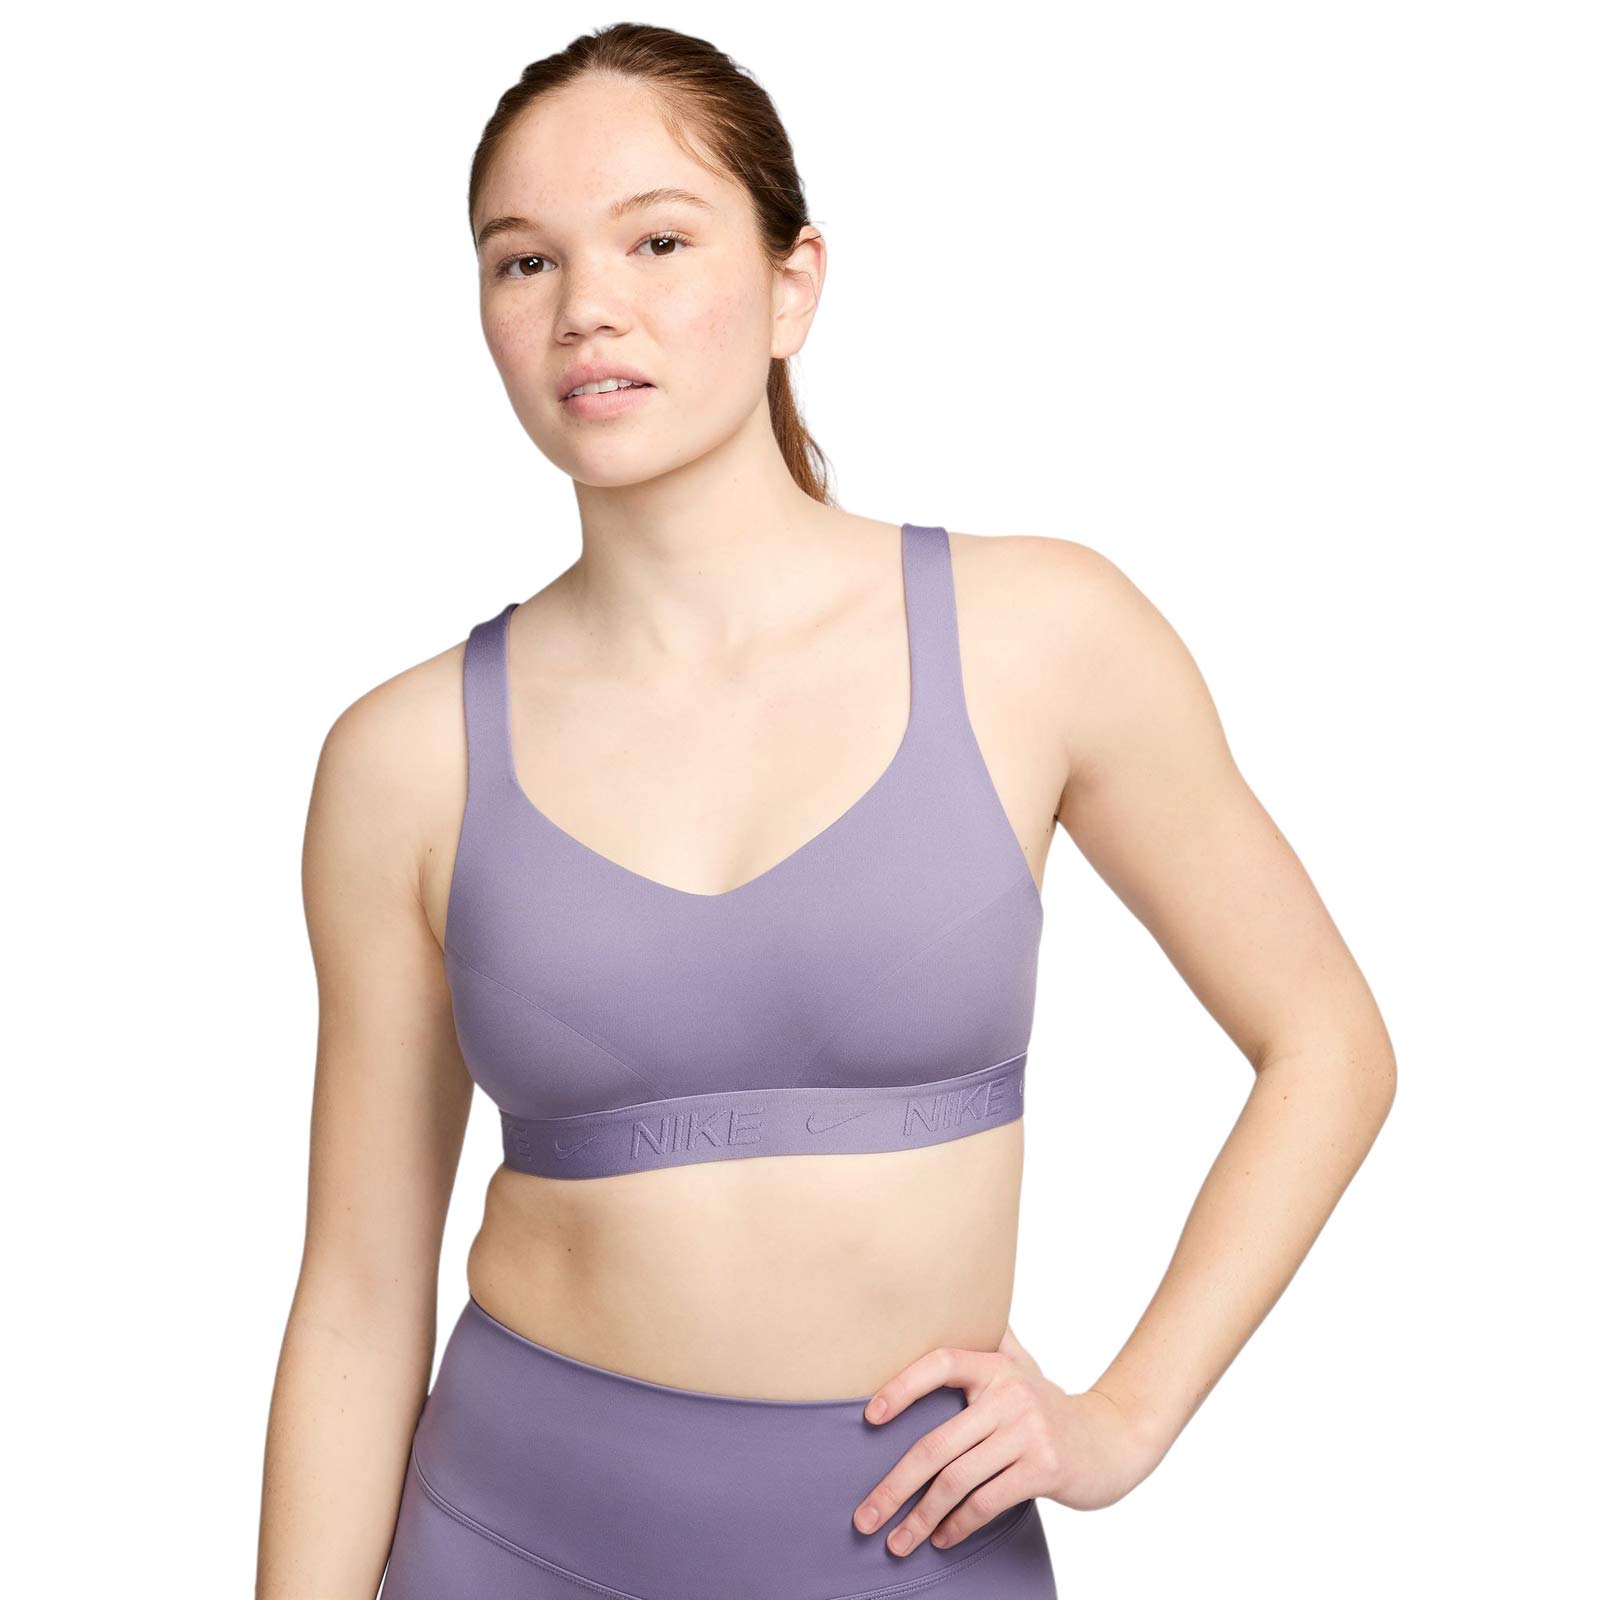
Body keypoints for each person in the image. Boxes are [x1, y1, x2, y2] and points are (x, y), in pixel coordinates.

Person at [255, 23, 1397, 1600]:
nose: (588, 306)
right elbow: (358, 1295)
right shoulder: (402, 760)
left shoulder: (1043, 637)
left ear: (794, 284)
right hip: (502, 1543)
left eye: (660, 241)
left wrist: (1124, 1421)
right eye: (525, 262)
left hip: (910, 1547)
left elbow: (1329, 1044)